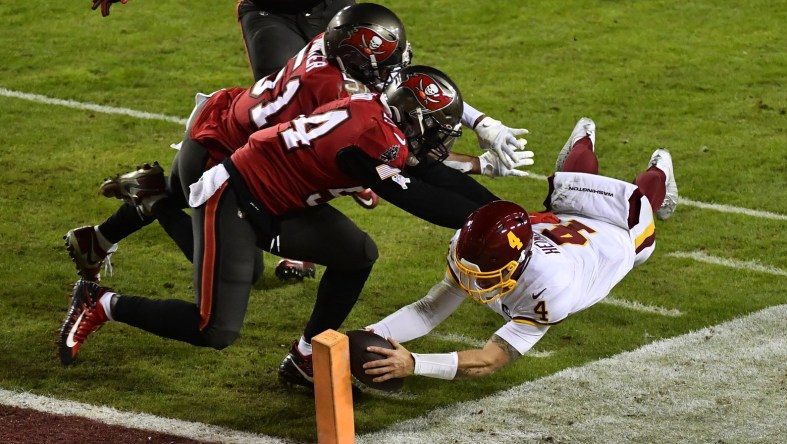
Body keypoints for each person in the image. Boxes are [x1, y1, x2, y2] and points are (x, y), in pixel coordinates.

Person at [56, 66, 511, 396]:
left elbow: (435, 177)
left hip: (283, 198)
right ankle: (100, 302)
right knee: (214, 328)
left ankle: (306, 356)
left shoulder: (380, 118)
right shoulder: (376, 139)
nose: (443, 142)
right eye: (438, 130)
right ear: (411, 120)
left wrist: (510, 213)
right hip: (236, 196)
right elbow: (423, 199)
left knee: (356, 253)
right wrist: (492, 219)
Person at [70, 3, 532, 283]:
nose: (395, 74)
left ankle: (106, 233)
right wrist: (478, 167)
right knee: (234, 265)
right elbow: (404, 158)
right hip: (227, 151)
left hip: (240, 130)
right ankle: (153, 199)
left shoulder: (331, 47)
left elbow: (407, 94)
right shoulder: (337, 95)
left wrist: (480, 121)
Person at [360, 117, 679, 383]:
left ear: (520, 261)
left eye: (487, 274)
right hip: (564, 223)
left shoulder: (551, 288)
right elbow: (429, 309)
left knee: (643, 201)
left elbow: (489, 360)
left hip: (617, 236)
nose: (475, 281)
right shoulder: (469, 245)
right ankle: (582, 141)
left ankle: (661, 167)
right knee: (572, 186)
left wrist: (415, 363)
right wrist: (369, 333)